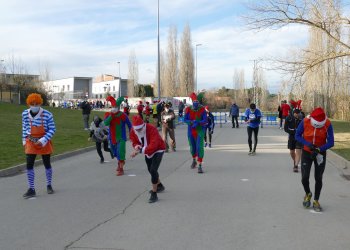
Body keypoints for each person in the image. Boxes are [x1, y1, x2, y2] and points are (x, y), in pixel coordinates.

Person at [295, 107, 334, 212]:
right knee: (304, 177)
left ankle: (316, 200)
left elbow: (331, 142)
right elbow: (297, 135)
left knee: (318, 178)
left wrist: (319, 149)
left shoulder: (328, 124)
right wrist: (308, 144)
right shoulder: (305, 121)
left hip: (320, 154)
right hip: (307, 152)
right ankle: (308, 193)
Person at [22, 93, 56, 199]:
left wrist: (43, 140)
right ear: (29, 104)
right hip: (30, 141)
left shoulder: (47, 114)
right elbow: (24, 127)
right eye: (32, 104)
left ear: (40, 103)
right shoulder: (24, 114)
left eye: (37, 104)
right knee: (29, 164)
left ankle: (49, 185)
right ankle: (31, 189)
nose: (35, 105)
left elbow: (52, 129)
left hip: (44, 141)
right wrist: (24, 139)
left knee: (47, 163)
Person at [129, 116, 166, 203]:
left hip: (158, 149)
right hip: (147, 150)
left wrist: (139, 151)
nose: (138, 131)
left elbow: (154, 144)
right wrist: (137, 146)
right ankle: (159, 185)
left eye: (140, 129)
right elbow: (134, 141)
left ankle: (154, 193)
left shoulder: (151, 128)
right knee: (150, 170)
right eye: (136, 130)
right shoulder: (133, 131)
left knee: (153, 170)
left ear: (143, 125)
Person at [104, 96, 132, 176]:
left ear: (118, 107)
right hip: (112, 138)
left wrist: (132, 134)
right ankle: (120, 162)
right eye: (113, 106)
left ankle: (121, 169)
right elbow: (105, 123)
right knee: (115, 152)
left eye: (116, 107)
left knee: (120, 152)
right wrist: (111, 116)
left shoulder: (123, 115)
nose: (114, 108)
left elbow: (129, 125)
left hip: (121, 138)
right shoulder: (108, 114)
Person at [184, 92, 207, 173]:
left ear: (199, 102)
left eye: (197, 102)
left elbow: (205, 119)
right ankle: (194, 160)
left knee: (199, 147)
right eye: (194, 102)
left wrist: (198, 122)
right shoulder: (188, 109)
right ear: (192, 102)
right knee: (192, 147)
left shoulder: (202, 109)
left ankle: (200, 165)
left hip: (200, 131)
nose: (196, 103)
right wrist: (190, 122)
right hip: (191, 131)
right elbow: (185, 119)